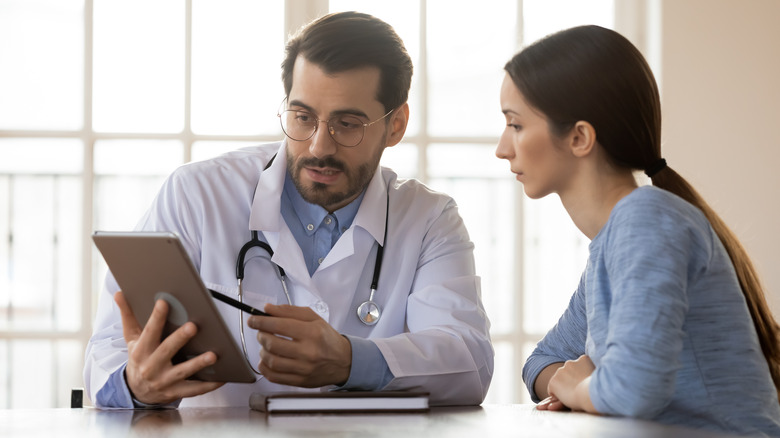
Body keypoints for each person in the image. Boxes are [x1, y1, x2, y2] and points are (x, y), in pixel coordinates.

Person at [84, 11, 493, 408]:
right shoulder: (196, 194)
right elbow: (108, 351)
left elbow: (469, 362)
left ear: (396, 125)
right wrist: (136, 384)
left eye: (347, 124)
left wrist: (349, 360)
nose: (319, 146)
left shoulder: (429, 220)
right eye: (303, 117)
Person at [495, 25, 780, 436]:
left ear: (579, 137)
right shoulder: (610, 246)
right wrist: (585, 384)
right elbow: (541, 362)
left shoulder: (647, 220)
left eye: (516, 125)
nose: (503, 148)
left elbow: (633, 390)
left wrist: (585, 388)